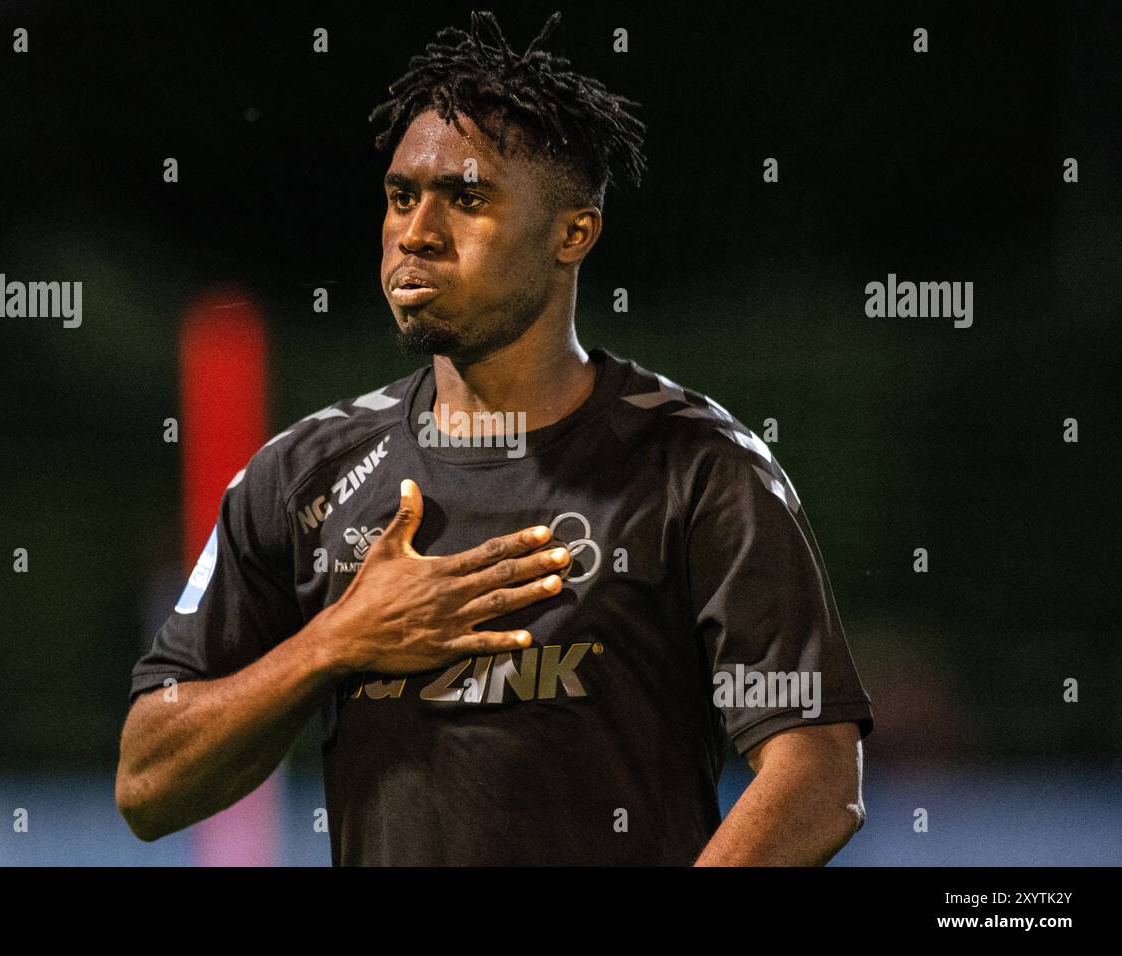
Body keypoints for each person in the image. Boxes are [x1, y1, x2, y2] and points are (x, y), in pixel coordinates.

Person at [116, 10, 873, 865]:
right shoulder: (300, 475)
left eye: (465, 199)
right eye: (402, 197)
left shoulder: (699, 469)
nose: (417, 231)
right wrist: (334, 644)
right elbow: (147, 782)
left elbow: (818, 777)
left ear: (572, 233)